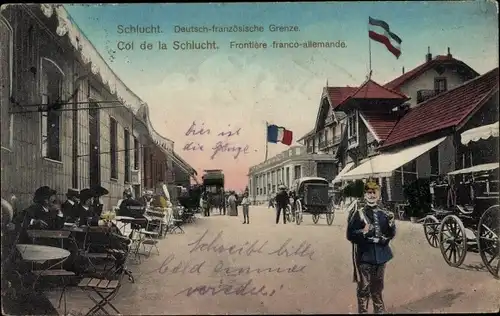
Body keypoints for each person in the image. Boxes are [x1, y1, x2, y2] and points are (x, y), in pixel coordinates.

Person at [347, 180, 396, 314]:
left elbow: (390, 234)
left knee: (378, 286)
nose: (372, 195)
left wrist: (391, 225)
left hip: (380, 256)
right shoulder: (359, 213)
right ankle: (363, 311)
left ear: (379, 195)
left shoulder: (384, 214)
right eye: (369, 193)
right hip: (365, 256)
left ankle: (379, 311)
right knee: (364, 287)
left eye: (375, 192)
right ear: (365, 195)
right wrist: (362, 232)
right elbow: (350, 234)